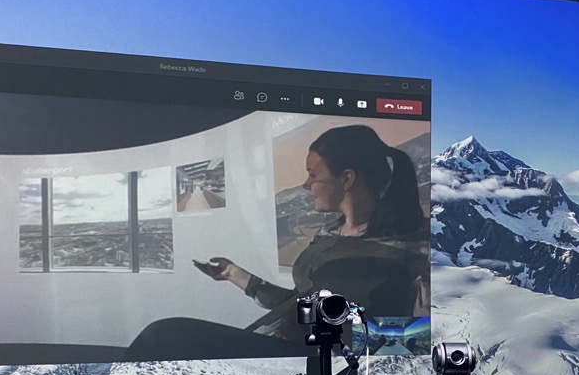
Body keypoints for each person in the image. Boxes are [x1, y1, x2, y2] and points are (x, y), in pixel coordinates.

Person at [124, 125, 429, 360]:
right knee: (163, 339)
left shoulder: (408, 253)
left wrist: (328, 327)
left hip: (318, 368)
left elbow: (407, 345)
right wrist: (235, 275)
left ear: (347, 178)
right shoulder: (333, 235)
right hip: (283, 346)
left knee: (162, 336)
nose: (307, 184)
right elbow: (298, 306)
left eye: (313, 174)